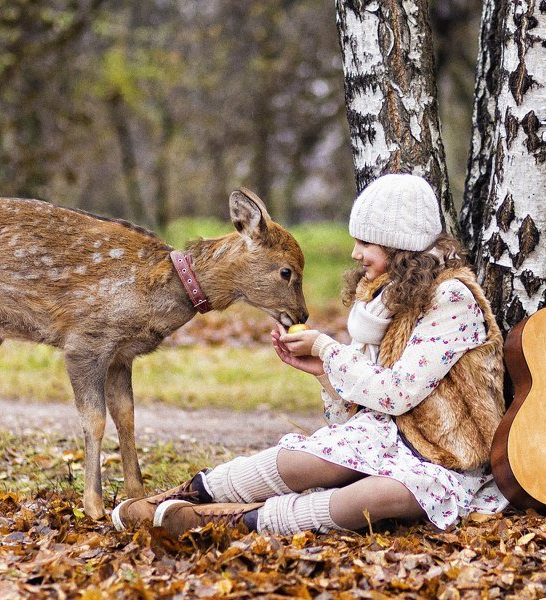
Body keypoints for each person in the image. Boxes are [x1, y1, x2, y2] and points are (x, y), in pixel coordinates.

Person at [112, 173, 509, 536]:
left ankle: (228, 520)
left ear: (398, 245)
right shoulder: (380, 302)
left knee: (379, 497)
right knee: (304, 461)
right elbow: (351, 418)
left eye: (366, 243)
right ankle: (187, 495)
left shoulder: (451, 299)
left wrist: (328, 350)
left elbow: (397, 393)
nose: (355, 253)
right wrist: (324, 375)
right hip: (389, 437)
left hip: (445, 457)